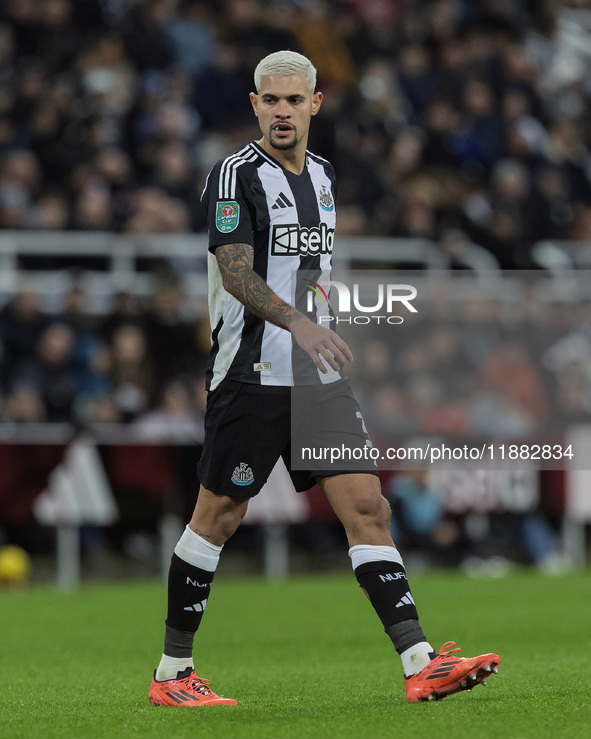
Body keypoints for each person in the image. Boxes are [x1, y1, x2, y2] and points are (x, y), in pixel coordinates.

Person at [148, 50, 500, 707]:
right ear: (254, 104)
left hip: (316, 378)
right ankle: (172, 672)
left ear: (315, 103)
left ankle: (419, 662)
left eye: (293, 100)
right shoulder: (232, 175)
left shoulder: (326, 175)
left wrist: (324, 327)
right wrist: (298, 323)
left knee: (368, 507)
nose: (281, 111)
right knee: (216, 516)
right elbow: (235, 271)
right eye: (269, 100)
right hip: (250, 373)